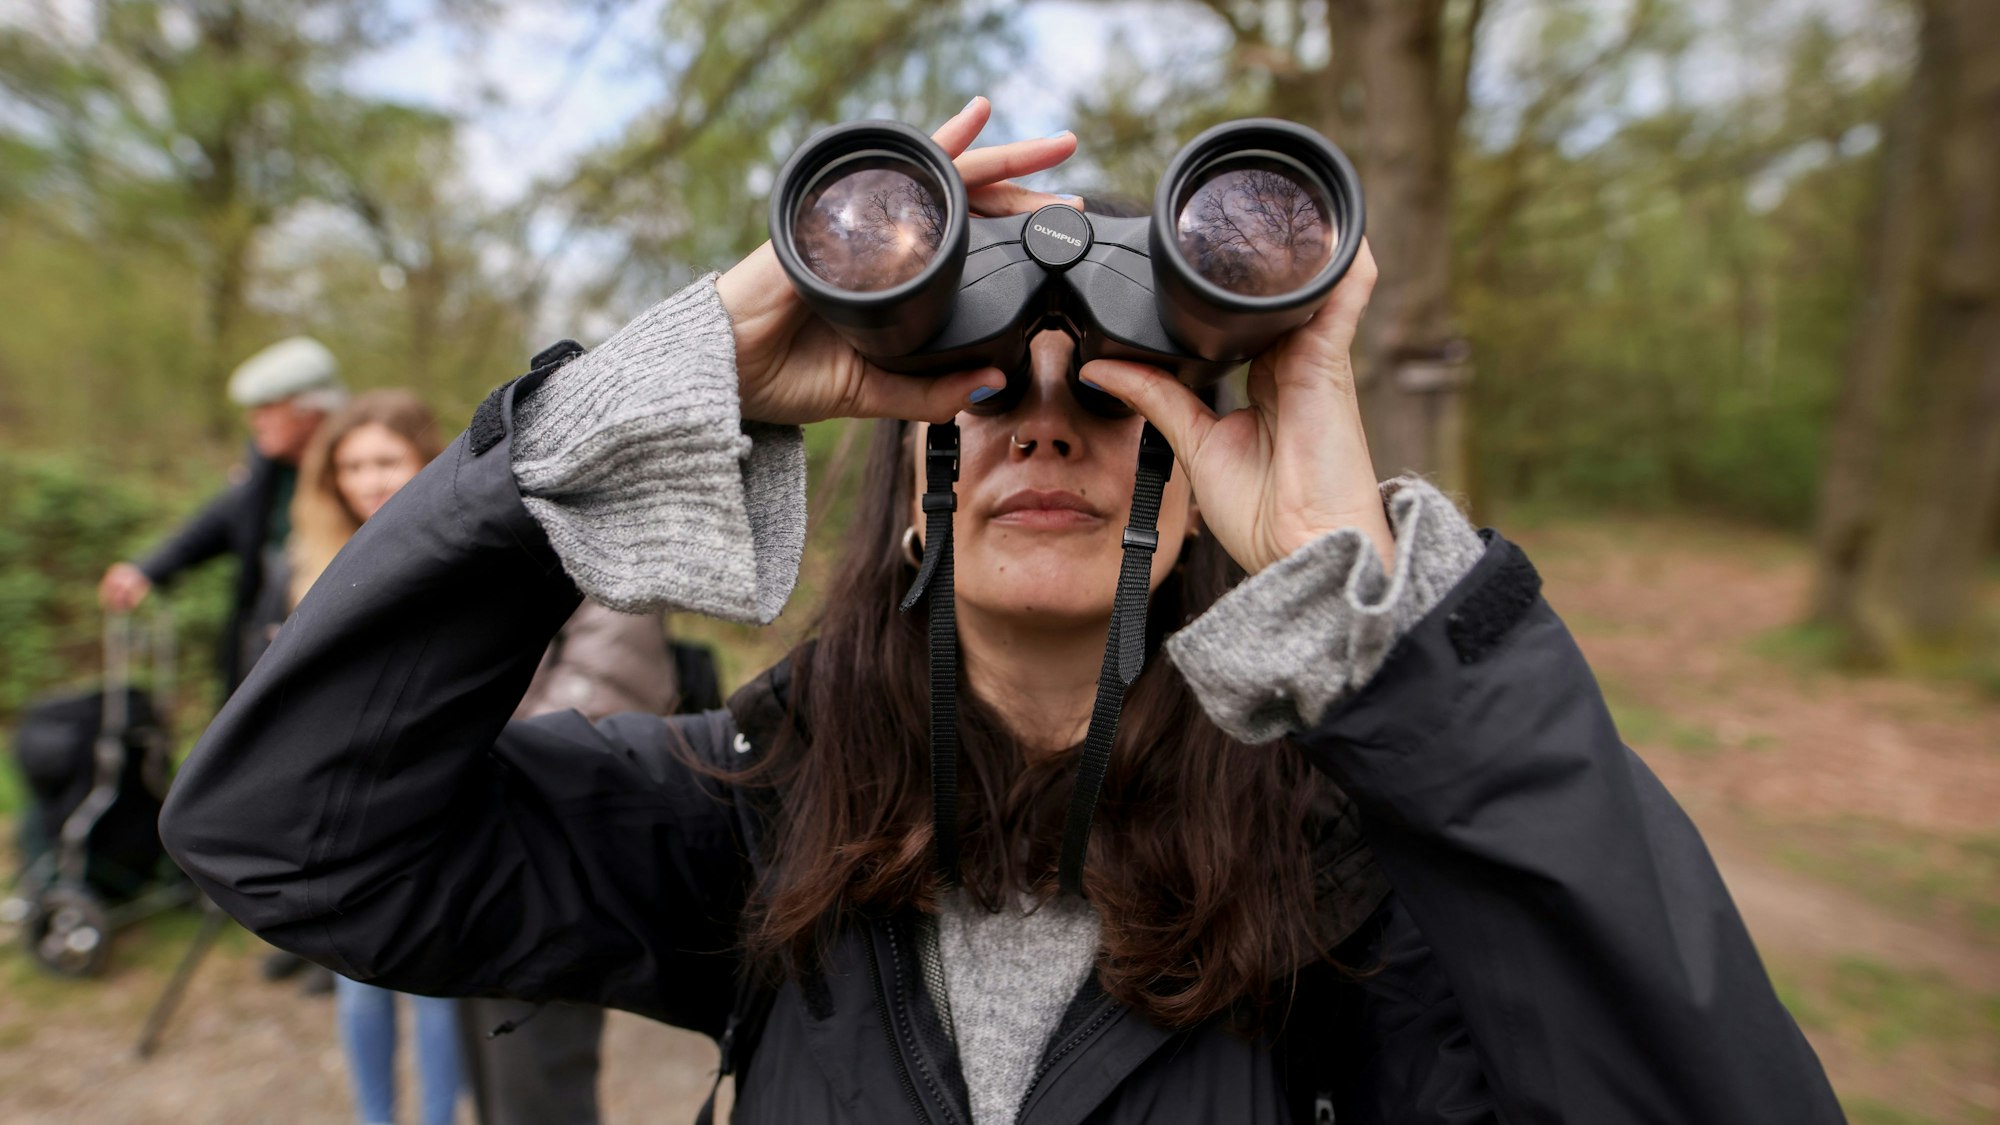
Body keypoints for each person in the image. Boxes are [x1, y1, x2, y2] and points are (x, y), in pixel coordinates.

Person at [160, 98, 1843, 1123]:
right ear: (902, 470)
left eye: (1117, 390)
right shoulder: (758, 823)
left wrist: (1370, 607)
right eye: (981, 388)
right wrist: (642, 395)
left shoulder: (1370, 872)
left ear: (1195, 473)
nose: (1047, 415)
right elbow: (288, 835)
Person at [287, 389, 461, 1125]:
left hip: (435, 793)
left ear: (424, 458)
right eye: (351, 465)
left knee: (432, 979)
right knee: (356, 979)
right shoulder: (312, 563)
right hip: (344, 804)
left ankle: (439, 1114)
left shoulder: (460, 545)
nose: (368, 479)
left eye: (386, 460)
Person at [455, 597, 681, 1125]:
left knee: (536, 1093)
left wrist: (458, 764)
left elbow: (603, 694)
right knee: (495, 1087)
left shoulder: (598, 547)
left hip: (545, 864)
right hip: (473, 861)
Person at [98, 336, 346, 697]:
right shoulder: (266, 471)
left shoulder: (356, 469)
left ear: (309, 410)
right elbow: (219, 521)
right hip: (262, 641)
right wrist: (146, 570)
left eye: (268, 408)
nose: (255, 420)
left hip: (327, 650)